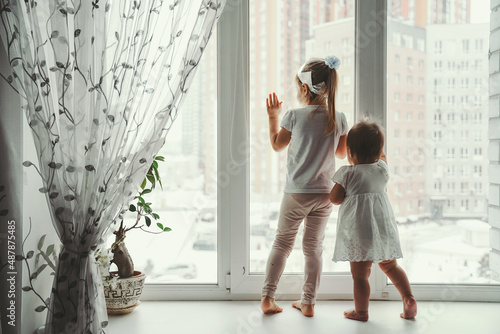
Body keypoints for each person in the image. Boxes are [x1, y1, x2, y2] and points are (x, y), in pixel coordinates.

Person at [261, 56, 348, 317]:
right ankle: (308, 303)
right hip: (324, 195)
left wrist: (272, 117)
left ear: (304, 89)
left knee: (282, 244)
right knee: (313, 249)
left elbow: (277, 144)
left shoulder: (294, 116)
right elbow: (342, 154)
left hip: (296, 193)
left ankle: (267, 298)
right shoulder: (339, 118)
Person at [329, 120, 417, 321]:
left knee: (360, 274)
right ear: (379, 152)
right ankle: (408, 298)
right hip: (382, 227)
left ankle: (361, 312)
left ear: (349, 152)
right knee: (391, 266)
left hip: (359, 232)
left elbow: (334, 199)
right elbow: (381, 156)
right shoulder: (382, 169)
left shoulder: (347, 174)